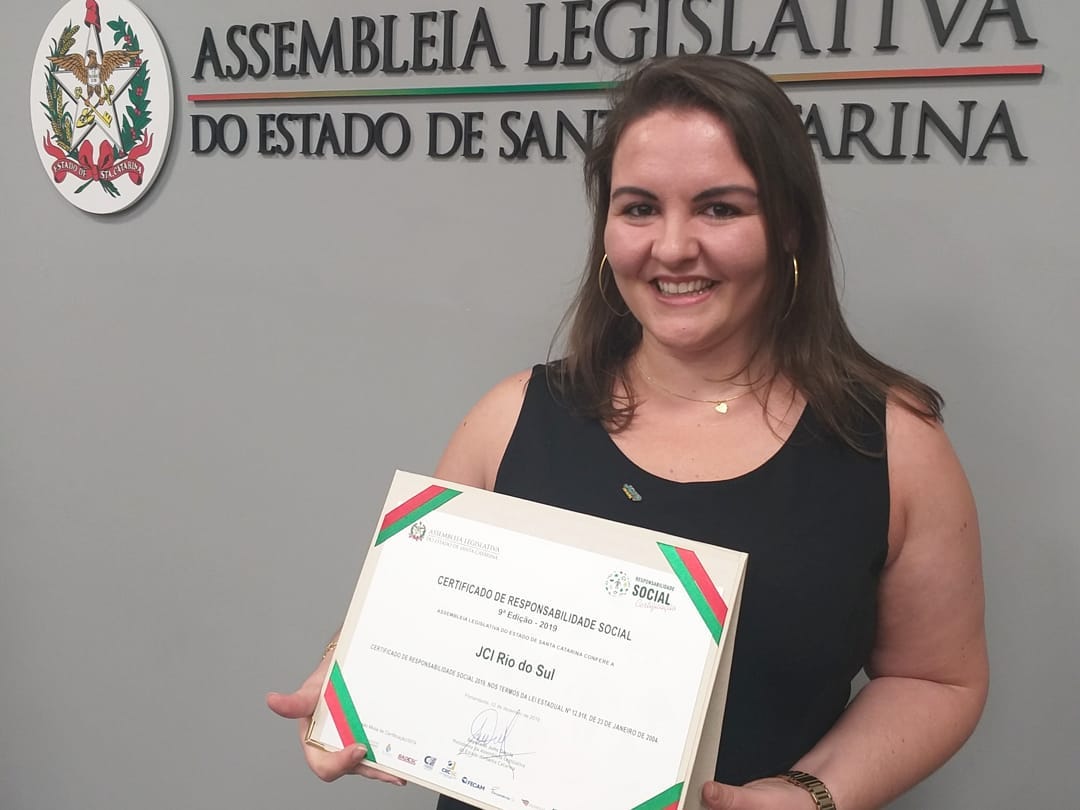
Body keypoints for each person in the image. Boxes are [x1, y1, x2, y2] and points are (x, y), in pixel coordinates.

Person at [268, 54, 987, 810]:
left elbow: (935, 679)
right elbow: (413, 611)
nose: (672, 248)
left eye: (720, 209)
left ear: (790, 226)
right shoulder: (511, 418)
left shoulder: (891, 444)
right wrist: (350, 676)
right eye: (640, 208)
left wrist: (812, 792)